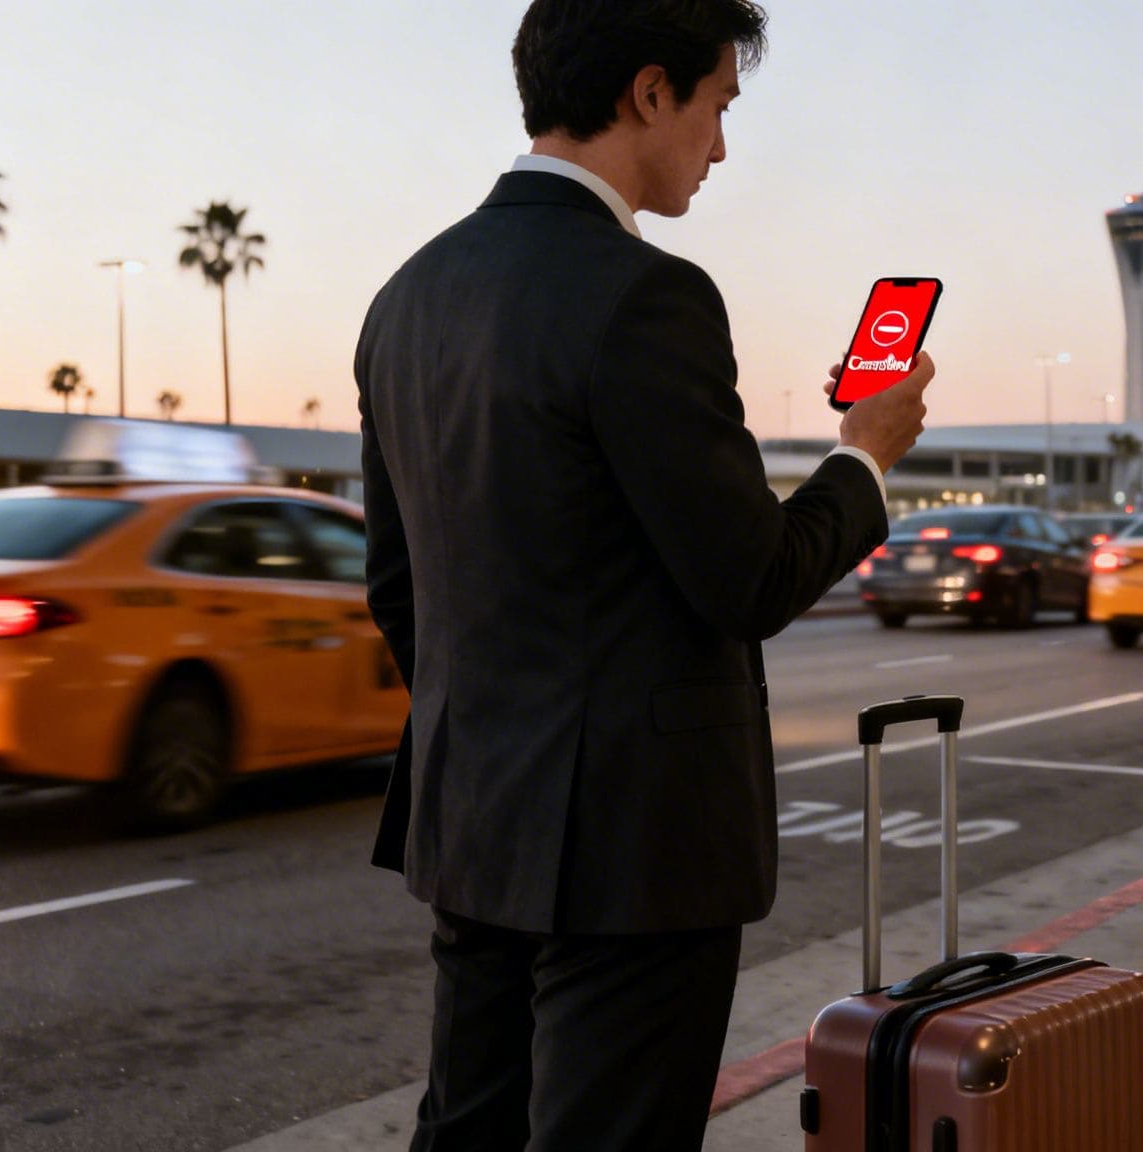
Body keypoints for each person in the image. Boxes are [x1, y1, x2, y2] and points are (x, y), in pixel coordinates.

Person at [355, 3, 932, 1148]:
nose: (719, 145)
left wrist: (501, 729)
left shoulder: (406, 298)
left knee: (464, 1129)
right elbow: (749, 579)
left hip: (474, 813)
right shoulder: (644, 296)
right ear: (650, 91)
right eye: (718, 105)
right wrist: (862, 457)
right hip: (633, 850)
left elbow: (396, 585)